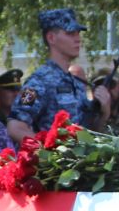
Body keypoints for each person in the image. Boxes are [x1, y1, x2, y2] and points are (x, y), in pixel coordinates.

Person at [10, 9, 105, 140]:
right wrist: (47, 150)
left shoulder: (76, 82)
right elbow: (15, 126)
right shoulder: (37, 83)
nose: (78, 39)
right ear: (51, 38)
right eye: (70, 33)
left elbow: (88, 132)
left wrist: (104, 111)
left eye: (78, 33)